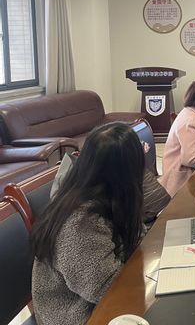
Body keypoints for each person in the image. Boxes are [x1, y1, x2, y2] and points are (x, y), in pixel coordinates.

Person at [30, 123, 145, 325]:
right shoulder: (79, 223)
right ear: (126, 174)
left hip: (100, 304)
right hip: (77, 316)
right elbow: (107, 289)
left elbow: (137, 240)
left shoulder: (109, 199)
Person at [159, 80, 195, 197]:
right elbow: (189, 159)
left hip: (189, 170)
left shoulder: (194, 113)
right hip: (180, 177)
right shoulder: (190, 121)